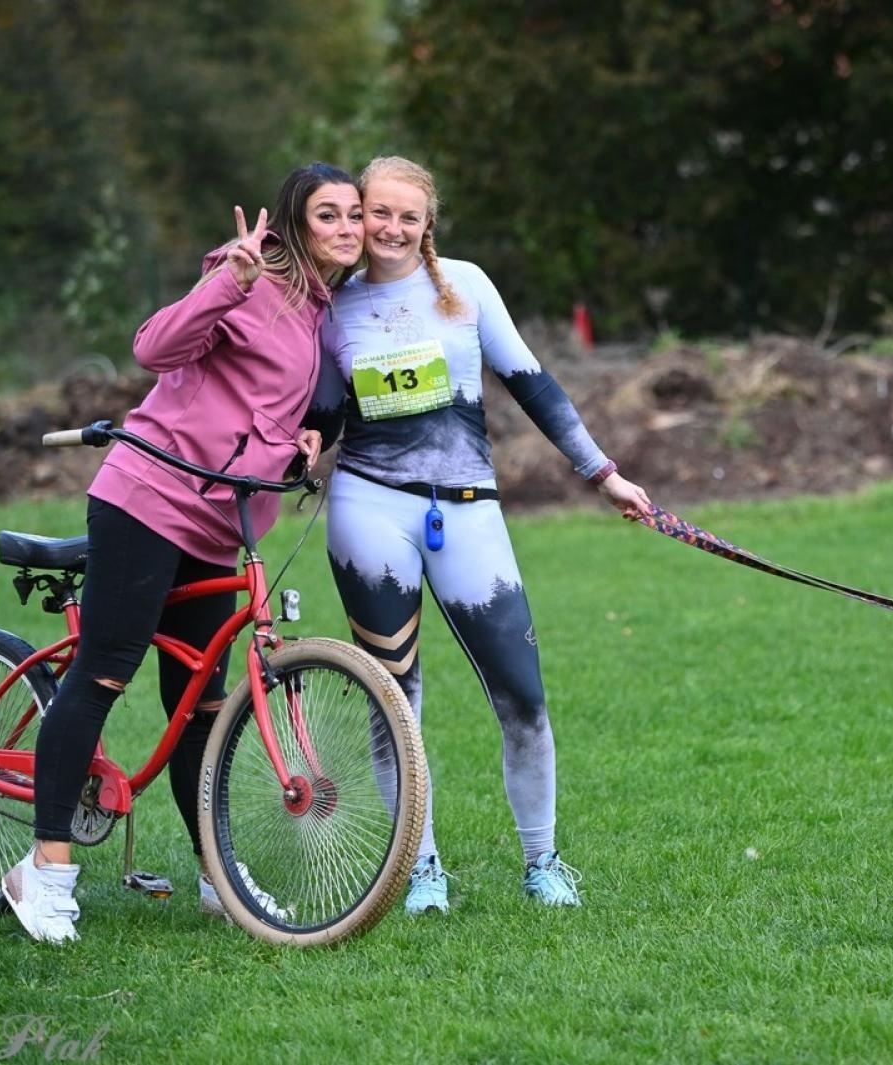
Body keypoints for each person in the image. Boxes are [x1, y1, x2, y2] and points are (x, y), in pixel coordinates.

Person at [1, 163, 365, 944]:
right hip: (150, 497)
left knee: (198, 705)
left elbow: (262, 407)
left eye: (355, 214)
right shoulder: (246, 278)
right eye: (328, 214)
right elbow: (152, 348)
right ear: (295, 227)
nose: (346, 226)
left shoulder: (317, 313)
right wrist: (227, 281)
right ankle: (46, 869)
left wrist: (300, 443)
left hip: (218, 523)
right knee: (102, 673)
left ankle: (219, 877)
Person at [318, 155, 651, 914]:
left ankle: (543, 859)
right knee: (394, 697)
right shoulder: (332, 306)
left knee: (522, 696)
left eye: (408, 215)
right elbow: (319, 413)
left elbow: (534, 385)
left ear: (427, 224)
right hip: (368, 508)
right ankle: (421, 867)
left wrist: (603, 475)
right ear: (357, 216)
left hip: (466, 510)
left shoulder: (464, 286)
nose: (391, 228)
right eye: (377, 213)